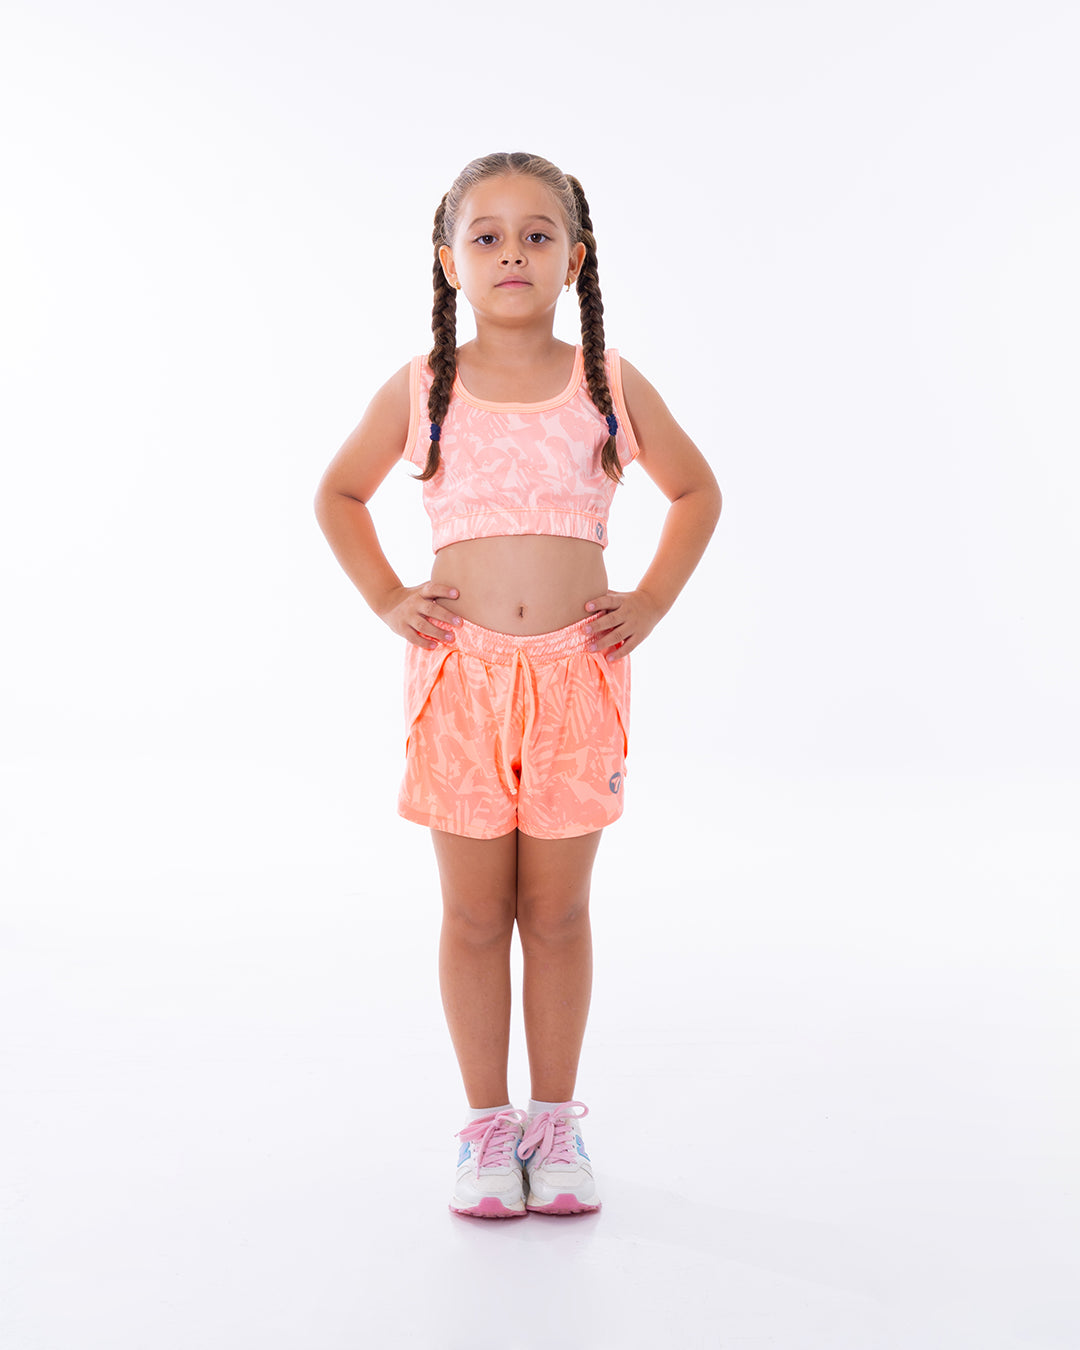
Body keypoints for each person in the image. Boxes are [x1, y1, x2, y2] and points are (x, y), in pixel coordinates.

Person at [314, 152, 722, 1219]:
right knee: (472, 913)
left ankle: (555, 1122)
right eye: (485, 236)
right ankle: (487, 1128)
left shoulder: (608, 383)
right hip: (461, 680)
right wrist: (387, 596)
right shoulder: (424, 387)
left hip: (578, 678)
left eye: (537, 235)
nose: (511, 254)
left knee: (557, 910)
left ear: (574, 259)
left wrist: (652, 601)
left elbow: (696, 491)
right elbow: (339, 494)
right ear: (449, 261)